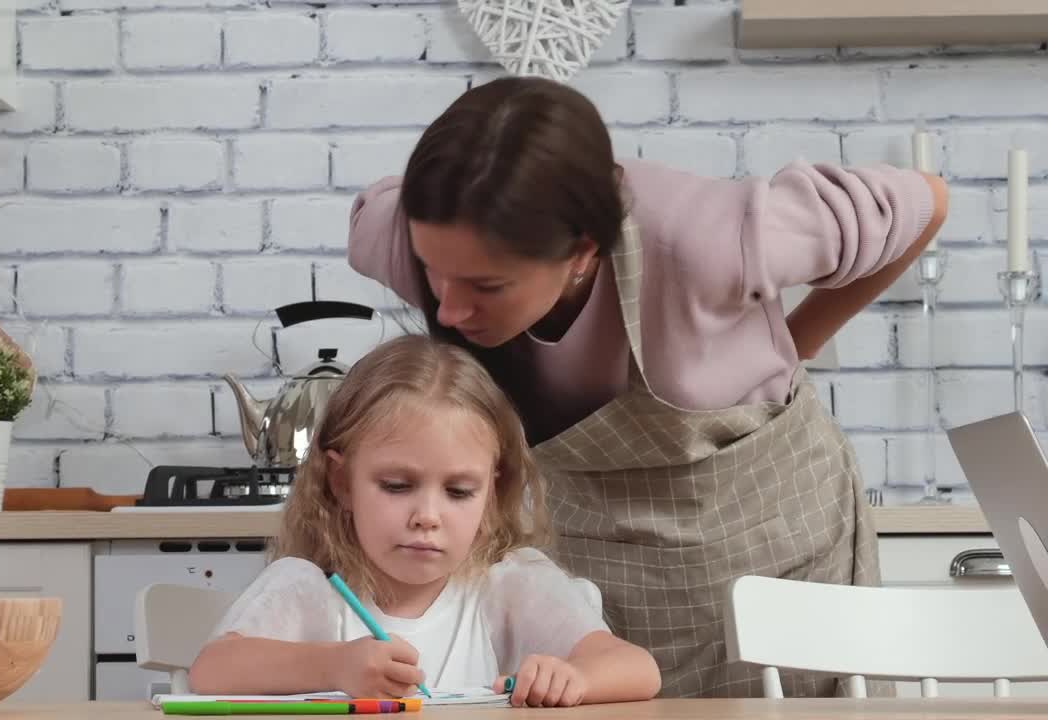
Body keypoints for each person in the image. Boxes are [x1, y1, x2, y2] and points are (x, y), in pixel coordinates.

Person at [345, 76, 949, 698]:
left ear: (581, 252)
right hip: (602, 566)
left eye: (485, 286)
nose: (446, 312)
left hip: (777, 552)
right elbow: (372, 216)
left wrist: (797, 343)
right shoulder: (412, 232)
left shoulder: (711, 238)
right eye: (433, 273)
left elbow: (926, 201)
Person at [189, 335, 662, 707]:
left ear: (492, 493)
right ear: (341, 481)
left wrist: (574, 676)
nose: (427, 517)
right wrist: (335, 666)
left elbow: (638, 669)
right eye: (397, 486)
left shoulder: (509, 586)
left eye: (459, 492)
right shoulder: (308, 590)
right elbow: (212, 669)